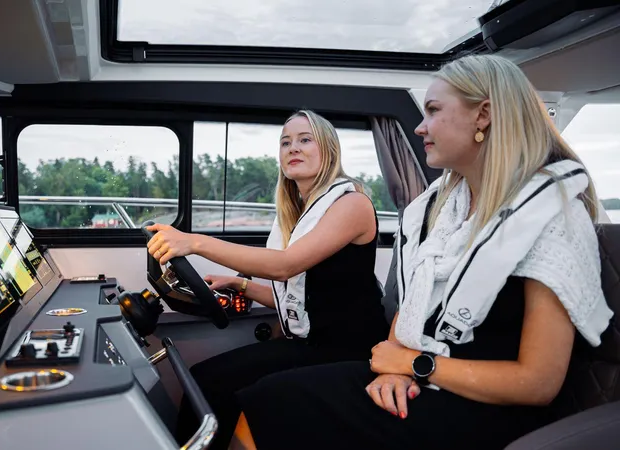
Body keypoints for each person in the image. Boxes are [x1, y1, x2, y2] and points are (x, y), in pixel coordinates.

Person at [230, 55, 614, 450]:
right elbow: (414, 305)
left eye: (432, 110)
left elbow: (538, 384)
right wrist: (395, 364)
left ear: (482, 115)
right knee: (265, 401)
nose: (419, 126)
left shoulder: (551, 214)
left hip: (487, 410)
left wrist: (415, 366)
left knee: (272, 404)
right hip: (425, 377)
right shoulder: (446, 207)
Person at [145, 110, 390, 449]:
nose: (293, 148)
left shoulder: (352, 203)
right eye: (286, 142)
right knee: (204, 377)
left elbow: (285, 266)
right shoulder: (300, 211)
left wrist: (194, 242)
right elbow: (298, 297)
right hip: (312, 341)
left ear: (329, 149)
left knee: (213, 385)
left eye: (306, 140)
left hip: (347, 349)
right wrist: (239, 284)